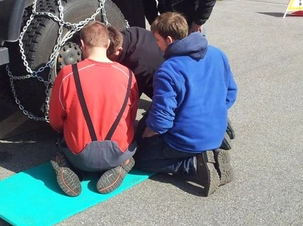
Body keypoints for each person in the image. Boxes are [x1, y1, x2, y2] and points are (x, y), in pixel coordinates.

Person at [134, 12, 237, 197]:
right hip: (217, 129)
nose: (156, 45)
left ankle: (193, 166)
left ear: (169, 39)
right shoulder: (217, 54)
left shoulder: (168, 70)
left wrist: (147, 134)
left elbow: (162, 121)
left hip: (186, 140)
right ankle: (210, 152)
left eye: (157, 40)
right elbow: (230, 93)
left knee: (141, 159)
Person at [48, 21, 139, 197]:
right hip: (118, 153)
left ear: (82, 45)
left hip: (79, 156)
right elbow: (131, 116)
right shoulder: (128, 75)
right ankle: (122, 164)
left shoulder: (68, 74)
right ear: (107, 44)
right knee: (129, 143)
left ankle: (64, 165)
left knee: (61, 140)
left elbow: (56, 120)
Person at [107, 25, 164, 99]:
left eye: (108, 57)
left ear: (119, 51)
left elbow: (132, 96)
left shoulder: (139, 65)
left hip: (166, 87)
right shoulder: (130, 33)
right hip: (158, 59)